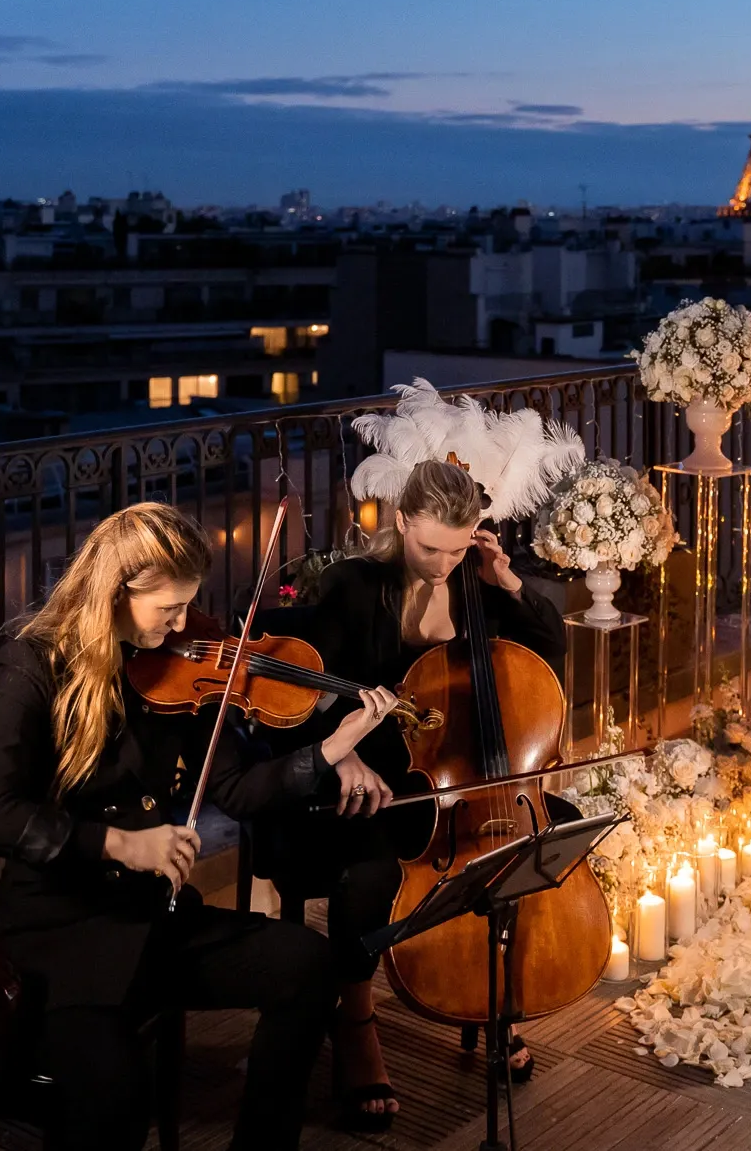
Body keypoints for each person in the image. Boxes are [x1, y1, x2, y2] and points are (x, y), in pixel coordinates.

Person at [0, 502, 399, 1151]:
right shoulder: (34, 662)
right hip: (62, 944)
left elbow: (235, 790)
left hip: (153, 923)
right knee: (118, 1098)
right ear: (115, 589)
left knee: (305, 962)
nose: (180, 625)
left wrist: (329, 750)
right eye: (166, 607)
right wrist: (119, 842)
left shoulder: (176, 663)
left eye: (185, 605)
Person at [247, 458, 566, 1127]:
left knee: (515, 858)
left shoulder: (476, 586)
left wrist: (504, 578)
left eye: (459, 547)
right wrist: (349, 756)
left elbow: (548, 650)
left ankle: (494, 997)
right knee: (369, 872)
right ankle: (355, 1017)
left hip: (459, 781)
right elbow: (312, 689)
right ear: (400, 522)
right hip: (374, 784)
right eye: (430, 547)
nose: (444, 562)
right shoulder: (355, 587)